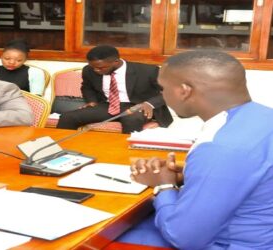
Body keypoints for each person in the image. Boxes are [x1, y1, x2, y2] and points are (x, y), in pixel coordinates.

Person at [117, 50, 273, 249]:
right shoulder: (263, 117)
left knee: (102, 236)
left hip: (233, 243)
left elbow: (183, 239)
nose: (162, 95)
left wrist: (164, 185)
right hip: (261, 232)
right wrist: (188, 174)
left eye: (163, 88)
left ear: (184, 90)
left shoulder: (221, 147)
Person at [57, 45, 172, 134]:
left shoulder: (148, 71)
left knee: (131, 119)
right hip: (107, 105)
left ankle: (124, 155)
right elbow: (87, 87)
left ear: (116, 62)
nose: (96, 70)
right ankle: (60, 152)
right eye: (93, 67)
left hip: (138, 105)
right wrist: (92, 101)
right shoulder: (89, 70)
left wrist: (150, 103)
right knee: (68, 117)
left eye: (101, 67)